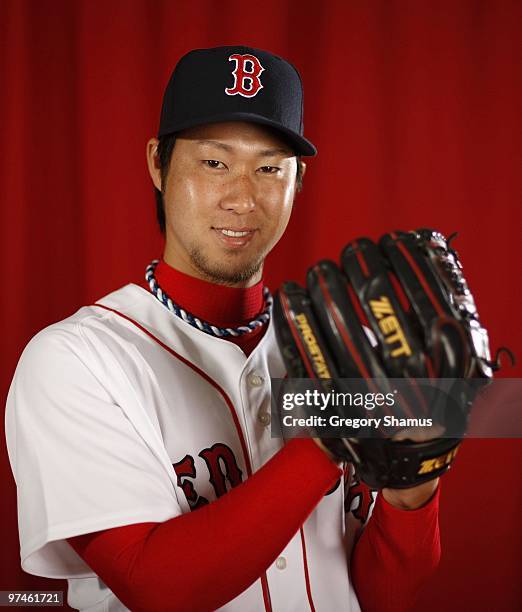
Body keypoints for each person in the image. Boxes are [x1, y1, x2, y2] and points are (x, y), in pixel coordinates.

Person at [6, 45, 441, 612]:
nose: (242, 197)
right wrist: (334, 429)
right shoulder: (77, 360)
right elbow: (155, 586)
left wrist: (416, 491)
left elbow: (382, 596)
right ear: (158, 164)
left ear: (298, 180)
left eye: (268, 167)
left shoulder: (345, 349)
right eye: (215, 162)